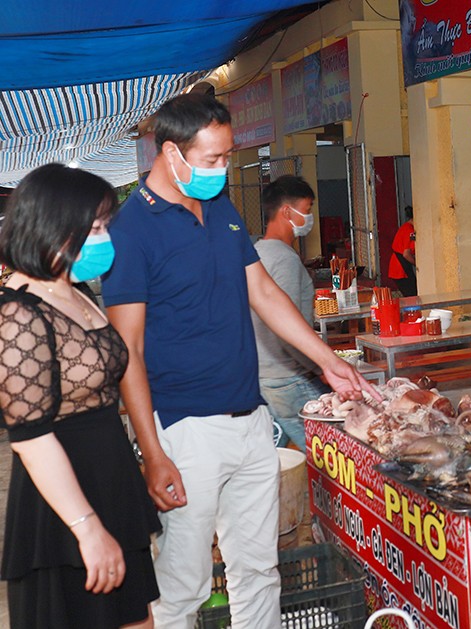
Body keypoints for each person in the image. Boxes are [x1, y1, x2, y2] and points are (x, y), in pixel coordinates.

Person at [101, 93, 380, 627]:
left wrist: (327, 359)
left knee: (259, 571)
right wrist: (153, 452)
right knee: (183, 587)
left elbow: (264, 293)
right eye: (212, 158)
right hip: (185, 429)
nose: (223, 169)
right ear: (171, 153)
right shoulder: (130, 232)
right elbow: (127, 350)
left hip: (250, 419)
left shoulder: (220, 209)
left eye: (227, 156)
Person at [0, 164, 160, 627]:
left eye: (105, 226)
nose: (105, 238)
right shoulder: (18, 313)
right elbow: (31, 438)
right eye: (94, 228)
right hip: (64, 505)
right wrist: (86, 528)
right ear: (52, 226)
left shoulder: (77, 291)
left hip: (111, 483)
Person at [252, 175, 330, 450]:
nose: (309, 218)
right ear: (287, 212)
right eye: (307, 210)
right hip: (289, 377)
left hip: (265, 375)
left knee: (271, 455)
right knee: (330, 454)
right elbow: (287, 330)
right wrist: (322, 367)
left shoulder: (256, 253)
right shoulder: (285, 259)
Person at [388, 205, 417, 297]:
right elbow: (406, 254)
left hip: (397, 267)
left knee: (411, 295)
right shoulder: (410, 231)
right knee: (412, 296)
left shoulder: (405, 227)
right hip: (400, 269)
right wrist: (417, 264)